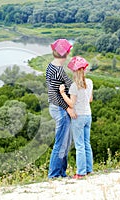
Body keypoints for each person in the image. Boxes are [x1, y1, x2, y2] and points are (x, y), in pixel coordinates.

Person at [46, 39, 76, 179]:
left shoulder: (52, 66)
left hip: (57, 107)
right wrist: (67, 108)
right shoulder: (57, 70)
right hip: (60, 109)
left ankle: (61, 174)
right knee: (61, 143)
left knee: (65, 142)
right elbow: (53, 94)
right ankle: (54, 175)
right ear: (66, 53)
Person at [59, 56, 93, 179]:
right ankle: (89, 170)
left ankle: (81, 172)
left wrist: (62, 93)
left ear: (74, 71)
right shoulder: (89, 82)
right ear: (84, 69)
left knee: (79, 145)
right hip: (88, 115)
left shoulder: (74, 86)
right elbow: (90, 99)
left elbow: (71, 104)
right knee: (86, 143)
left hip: (78, 117)